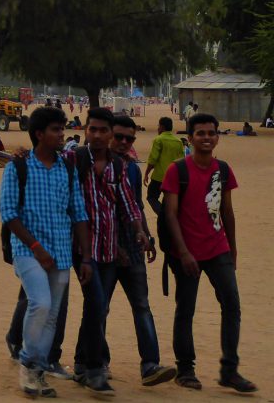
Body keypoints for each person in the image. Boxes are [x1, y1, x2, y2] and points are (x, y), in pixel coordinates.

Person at [161, 113, 257, 393]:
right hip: (186, 253)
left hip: (218, 249)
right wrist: (183, 252)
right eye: (200, 133)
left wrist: (233, 249)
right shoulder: (177, 170)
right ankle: (185, 369)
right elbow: (171, 214)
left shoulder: (223, 170)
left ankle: (230, 370)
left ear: (217, 137)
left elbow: (227, 211)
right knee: (186, 309)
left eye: (211, 133)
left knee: (232, 306)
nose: (206, 138)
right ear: (189, 138)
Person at [0, 106, 92, 397]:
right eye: (55, 129)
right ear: (39, 134)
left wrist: (86, 257)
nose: (61, 134)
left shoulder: (67, 166)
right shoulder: (19, 166)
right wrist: (36, 248)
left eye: (62, 129)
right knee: (39, 302)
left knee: (52, 314)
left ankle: (38, 370)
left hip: (62, 251)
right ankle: (27, 363)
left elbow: (78, 212)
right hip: (28, 250)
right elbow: (8, 213)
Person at [68, 108, 148, 394]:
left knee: (96, 307)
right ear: (86, 130)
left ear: (111, 134)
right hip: (82, 250)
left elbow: (128, 203)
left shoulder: (118, 167)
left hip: (110, 249)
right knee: (97, 303)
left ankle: (82, 364)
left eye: (104, 131)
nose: (98, 135)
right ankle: (94, 369)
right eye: (93, 130)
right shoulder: (73, 160)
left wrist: (139, 230)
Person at [106, 115, 177, 386]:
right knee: (100, 308)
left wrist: (147, 234)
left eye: (129, 139)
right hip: (104, 249)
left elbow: (136, 205)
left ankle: (150, 365)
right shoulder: (91, 165)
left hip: (132, 246)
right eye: (119, 136)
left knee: (142, 306)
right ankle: (95, 362)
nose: (124, 143)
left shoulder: (132, 169)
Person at [145, 116, 184, 216]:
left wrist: (146, 173)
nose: (158, 128)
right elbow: (182, 161)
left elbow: (153, 159)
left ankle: (163, 216)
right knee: (169, 201)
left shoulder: (158, 139)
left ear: (162, 127)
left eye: (158, 126)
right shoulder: (178, 141)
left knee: (152, 197)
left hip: (159, 177)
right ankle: (169, 216)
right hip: (174, 178)